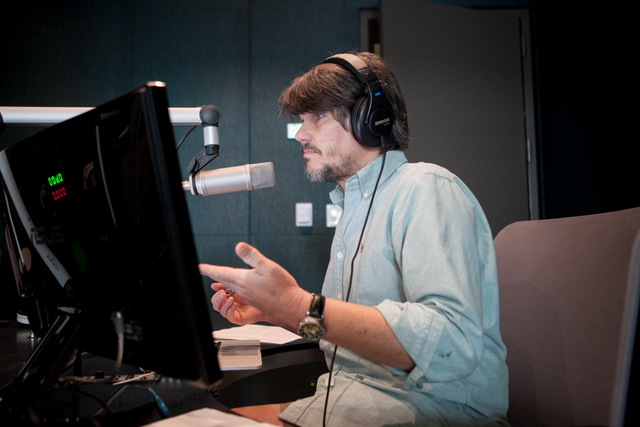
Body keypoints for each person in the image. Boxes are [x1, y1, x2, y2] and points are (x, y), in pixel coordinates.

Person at [199, 51, 509, 426]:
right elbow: (351, 339)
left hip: (432, 411)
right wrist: (278, 311)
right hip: (352, 401)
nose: (300, 134)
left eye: (317, 116)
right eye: (301, 120)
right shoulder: (353, 211)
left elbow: (451, 346)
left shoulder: (427, 189)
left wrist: (300, 304)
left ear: (370, 119)